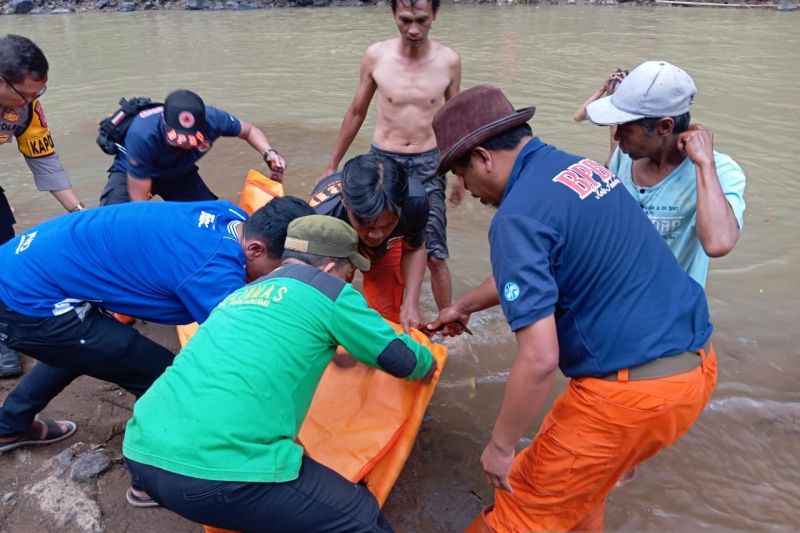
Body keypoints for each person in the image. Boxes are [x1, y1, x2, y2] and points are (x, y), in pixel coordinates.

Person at [428, 85, 717, 532]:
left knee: (516, 510)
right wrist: (464, 305)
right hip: (691, 372)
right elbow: (545, 267)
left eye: (460, 174)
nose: (465, 188)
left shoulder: (517, 218)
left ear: (483, 157)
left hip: (626, 396)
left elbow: (540, 360)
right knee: (580, 495)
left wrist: (501, 447)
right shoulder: (579, 169)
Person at [122, 214, 436, 531]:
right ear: (329, 267)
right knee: (360, 515)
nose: (349, 281)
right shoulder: (327, 290)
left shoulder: (240, 294)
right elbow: (404, 360)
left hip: (140, 454)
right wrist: (431, 363)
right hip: (209, 477)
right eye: (349, 271)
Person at [0, 197, 314, 460]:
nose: (275, 280)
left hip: (23, 267)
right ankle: (151, 474)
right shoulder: (212, 270)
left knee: (81, 348)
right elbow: (238, 349)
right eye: (278, 271)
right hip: (24, 302)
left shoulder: (228, 214)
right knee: (163, 376)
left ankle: (10, 425)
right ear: (256, 249)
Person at [320, 0, 462, 315]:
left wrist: (461, 176)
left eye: (422, 20)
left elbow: (455, 120)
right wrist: (332, 164)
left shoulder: (449, 61)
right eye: (406, 19)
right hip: (384, 160)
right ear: (394, 14)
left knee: (435, 252)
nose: (413, 29)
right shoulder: (376, 57)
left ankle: (448, 325)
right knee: (367, 241)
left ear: (434, 15)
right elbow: (357, 111)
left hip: (430, 164)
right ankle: (357, 312)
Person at [584, 60, 746, 287]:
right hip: (617, 293)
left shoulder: (720, 171)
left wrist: (704, 163)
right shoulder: (626, 155)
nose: (617, 136)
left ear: (665, 126)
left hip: (671, 307)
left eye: (627, 129)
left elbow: (718, 244)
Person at [0, 34, 86, 378]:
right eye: (26, 93)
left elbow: (45, 162)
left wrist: (83, 215)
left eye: (39, 92)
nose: (31, 102)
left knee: (4, 235)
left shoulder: (27, 107)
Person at [99, 89, 287, 205]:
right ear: (164, 123)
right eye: (176, 137)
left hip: (177, 174)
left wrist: (268, 152)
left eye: (191, 139)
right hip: (133, 173)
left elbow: (249, 131)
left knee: (213, 220)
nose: (184, 142)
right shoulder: (143, 133)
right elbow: (139, 203)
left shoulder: (214, 119)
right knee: (114, 222)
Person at [311, 153, 429, 331]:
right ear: (344, 200)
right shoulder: (319, 219)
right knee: (326, 312)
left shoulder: (414, 202)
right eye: (366, 224)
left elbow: (414, 248)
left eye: (388, 223)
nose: (376, 235)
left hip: (388, 247)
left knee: (387, 318)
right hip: (335, 246)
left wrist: (411, 302)